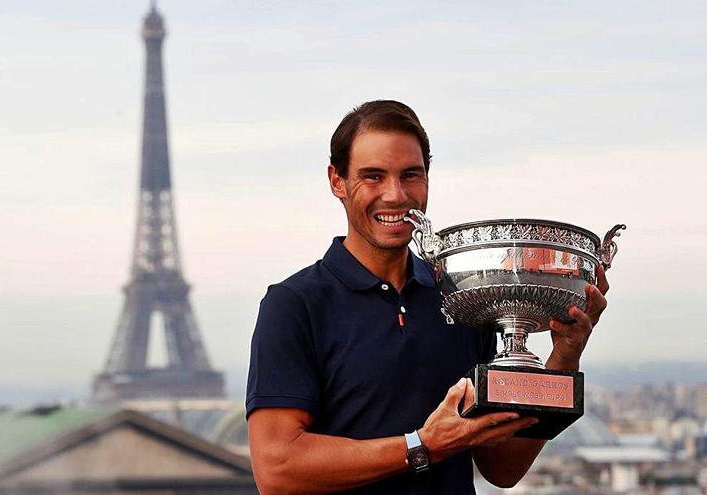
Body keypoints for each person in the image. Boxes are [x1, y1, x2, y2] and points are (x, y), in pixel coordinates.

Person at [245, 100, 609, 494]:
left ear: (428, 179)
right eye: (373, 176)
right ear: (337, 181)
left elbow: (501, 468)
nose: (395, 195)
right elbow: (277, 470)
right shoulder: (295, 305)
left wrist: (564, 355)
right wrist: (423, 445)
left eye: (410, 175)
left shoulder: (464, 298)